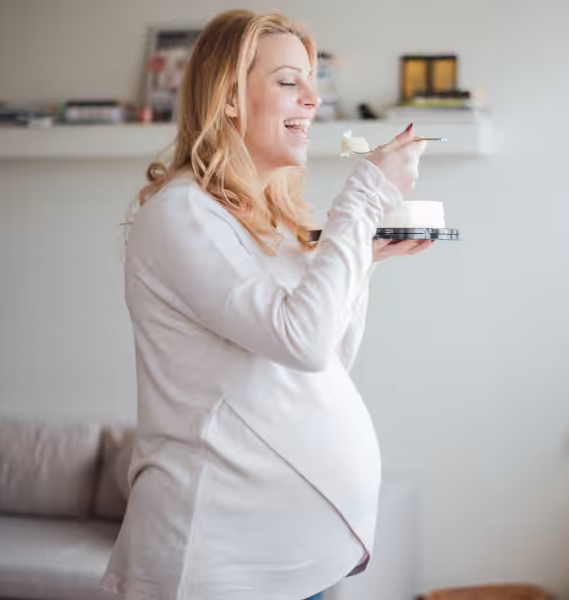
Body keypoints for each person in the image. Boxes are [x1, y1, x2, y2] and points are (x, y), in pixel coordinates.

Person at [101, 9, 431, 600]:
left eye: (314, 81)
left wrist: (359, 260)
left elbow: (326, 357)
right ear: (229, 97)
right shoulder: (181, 215)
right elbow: (300, 342)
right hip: (218, 566)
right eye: (289, 82)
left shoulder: (269, 227)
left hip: (294, 568)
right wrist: (365, 193)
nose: (313, 100)